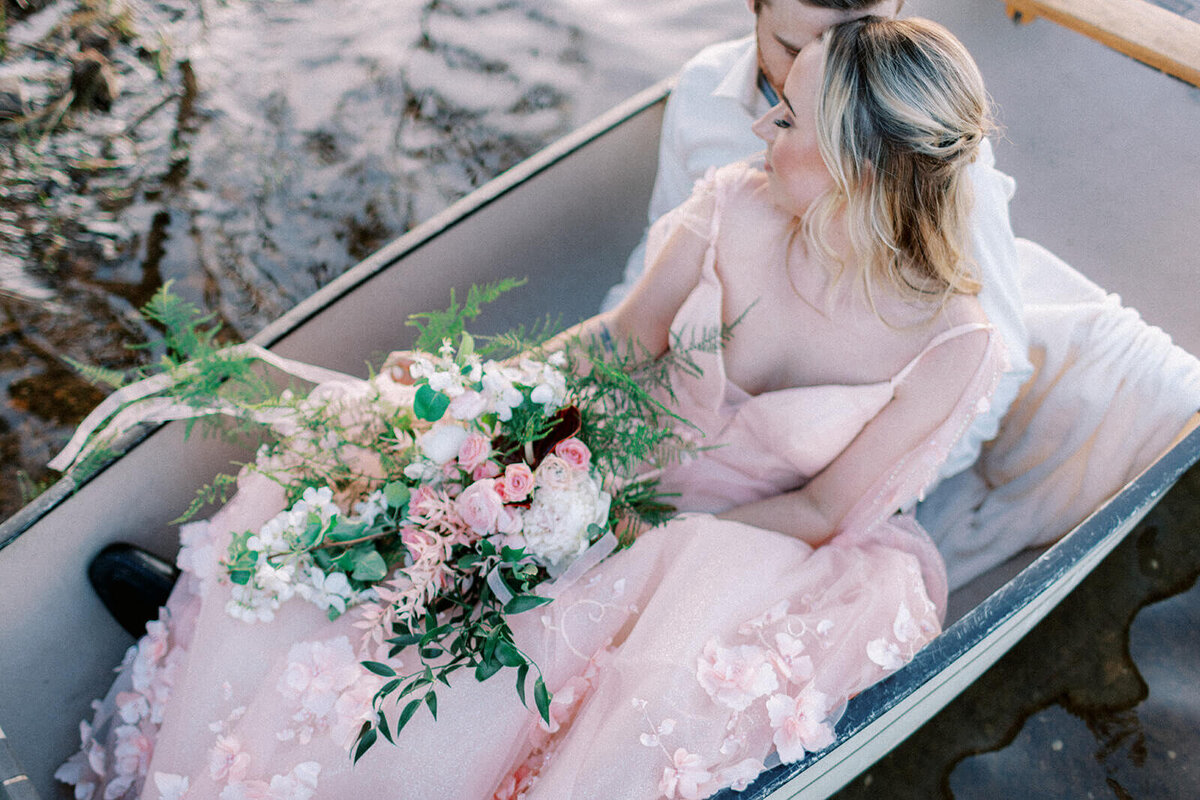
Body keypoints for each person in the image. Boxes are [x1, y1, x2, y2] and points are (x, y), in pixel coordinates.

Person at [59, 17, 1006, 800]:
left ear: (854, 165)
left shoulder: (952, 344)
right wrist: (489, 388)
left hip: (747, 545)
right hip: (619, 452)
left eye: (788, 118)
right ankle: (241, 665)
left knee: (572, 648)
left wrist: (638, 540)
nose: (762, 131)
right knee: (417, 468)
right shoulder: (736, 206)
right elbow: (623, 342)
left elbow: (826, 512)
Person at [605, 0, 1031, 489]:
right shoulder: (704, 89)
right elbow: (654, 260)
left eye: (856, 40)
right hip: (671, 427)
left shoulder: (926, 158)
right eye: (793, 48)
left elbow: (994, 372)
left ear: (896, 8)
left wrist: (866, 494)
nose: (816, 71)